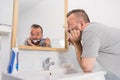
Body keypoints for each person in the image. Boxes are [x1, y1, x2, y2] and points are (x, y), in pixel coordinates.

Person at [66, 9, 120, 80]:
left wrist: (77, 43)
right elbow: (87, 65)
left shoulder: (90, 31)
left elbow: (87, 67)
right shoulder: (94, 30)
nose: (67, 30)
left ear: (82, 24)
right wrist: (76, 43)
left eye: (69, 25)